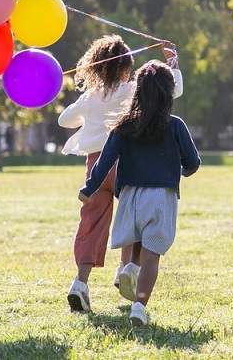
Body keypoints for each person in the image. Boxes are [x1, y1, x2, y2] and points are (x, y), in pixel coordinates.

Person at [60, 35, 182, 313]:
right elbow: (172, 91)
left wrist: (88, 107)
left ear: (96, 68)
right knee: (135, 218)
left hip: (95, 168)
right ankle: (126, 268)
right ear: (126, 69)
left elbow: (63, 120)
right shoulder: (131, 91)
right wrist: (173, 63)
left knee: (91, 224)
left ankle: (80, 283)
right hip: (126, 164)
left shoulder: (90, 97)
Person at [78, 60, 200, 326]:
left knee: (136, 239)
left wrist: (89, 187)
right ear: (169, 93)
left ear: (137, 91)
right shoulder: (176, 125)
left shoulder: (123, 126)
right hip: (161, 197)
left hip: (130, 196)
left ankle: (129, 268)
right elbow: (193, 162)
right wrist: (181, 171)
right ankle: (139, 306)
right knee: (152, 256)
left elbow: (104, 161)